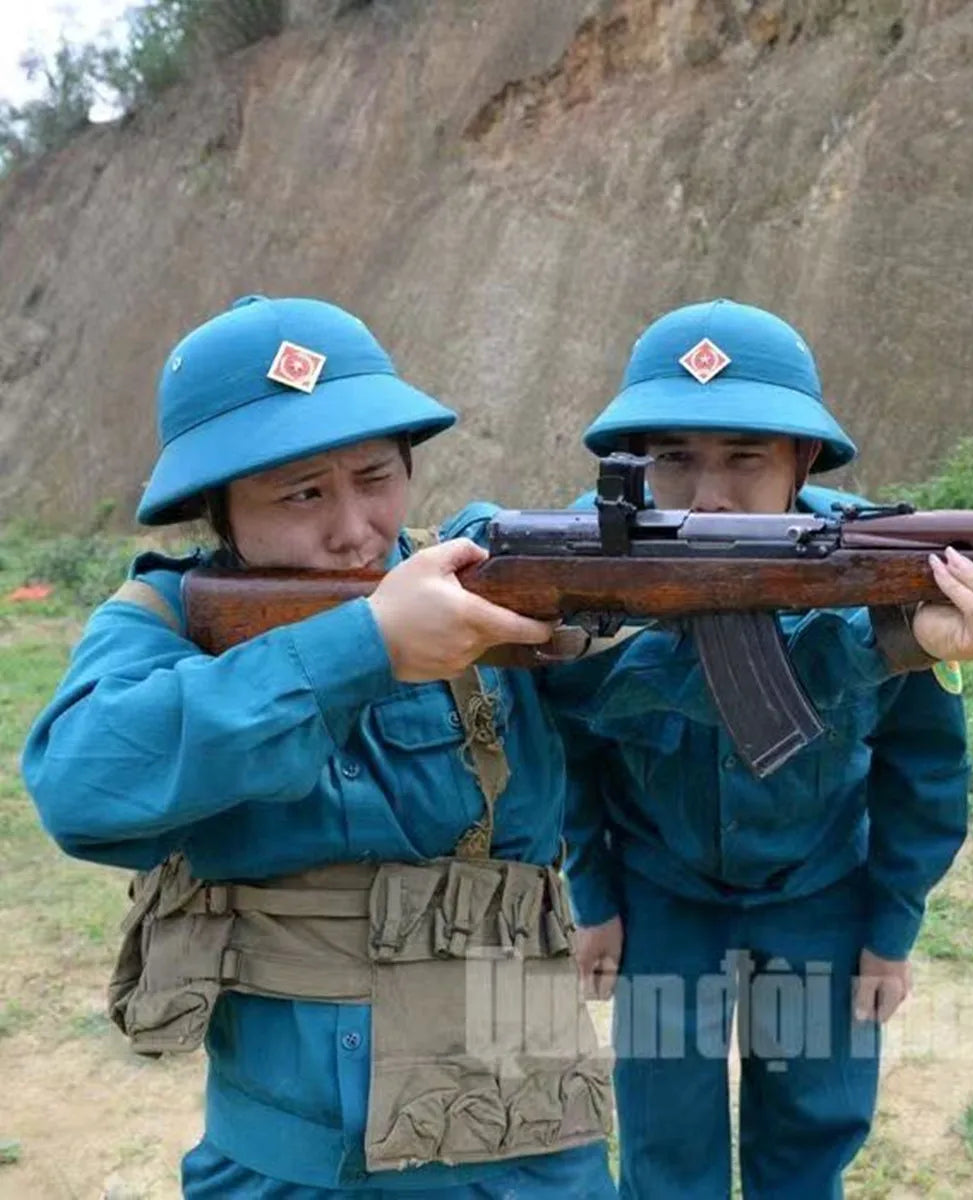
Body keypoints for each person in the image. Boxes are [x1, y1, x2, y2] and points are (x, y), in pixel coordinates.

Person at [20, 295, 617, 1198]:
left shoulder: (485, 574)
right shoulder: (171, 621)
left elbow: (667, 676)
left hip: (526, 1133)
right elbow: (82, 787)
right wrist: (362, 649)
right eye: (302, 493)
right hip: (296, 1156)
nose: (351, 528)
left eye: (375, 478)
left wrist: (886, 641)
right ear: (216, 508)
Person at [546, 299, 973, 1199]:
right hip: (661, 897)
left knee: (812, 1132)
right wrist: (593, 895)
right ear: (633, 463)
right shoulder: (582, 563)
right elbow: (567, 742)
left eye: (744, 459)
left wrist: (890, 930)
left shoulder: (888, 566)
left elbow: (924, 765)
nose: (711, 494)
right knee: (665, 1141)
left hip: (820, 896)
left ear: (802, 460)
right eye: (675, 460)